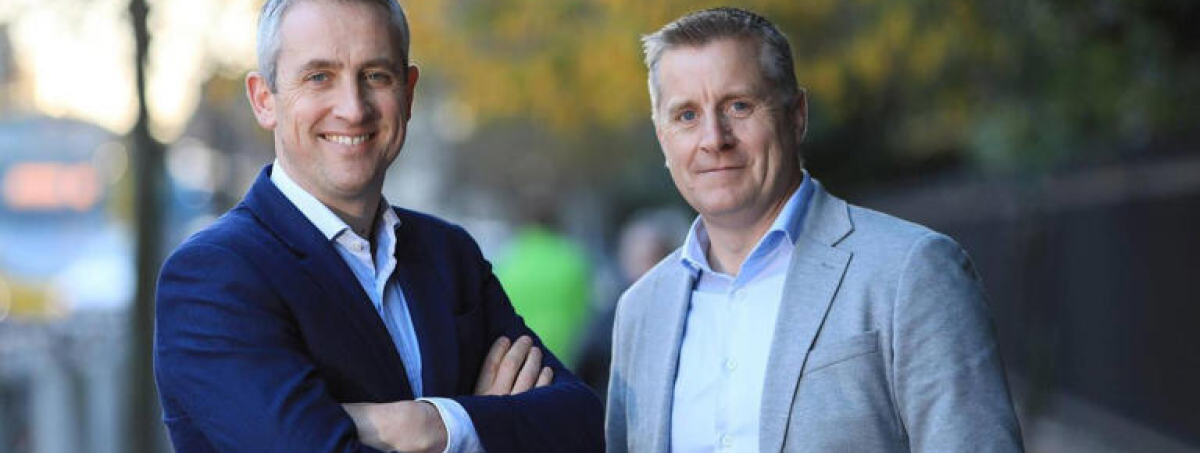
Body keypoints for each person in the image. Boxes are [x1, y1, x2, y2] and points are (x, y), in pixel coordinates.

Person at [152, 1, 603, 452]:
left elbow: (583, 424)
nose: (353, 108)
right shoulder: (213, 277)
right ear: (263, 99)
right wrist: (482, 428)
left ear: (408, 94)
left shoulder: (450, 256)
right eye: (319, 77)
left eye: (375, 76)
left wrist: (428, 425)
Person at [606, 7, 1023, 452]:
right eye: (687, 116)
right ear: (663, 137)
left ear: (797, 115)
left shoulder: (911, 271)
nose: (714, 138)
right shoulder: (640, 310)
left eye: (738, 106)